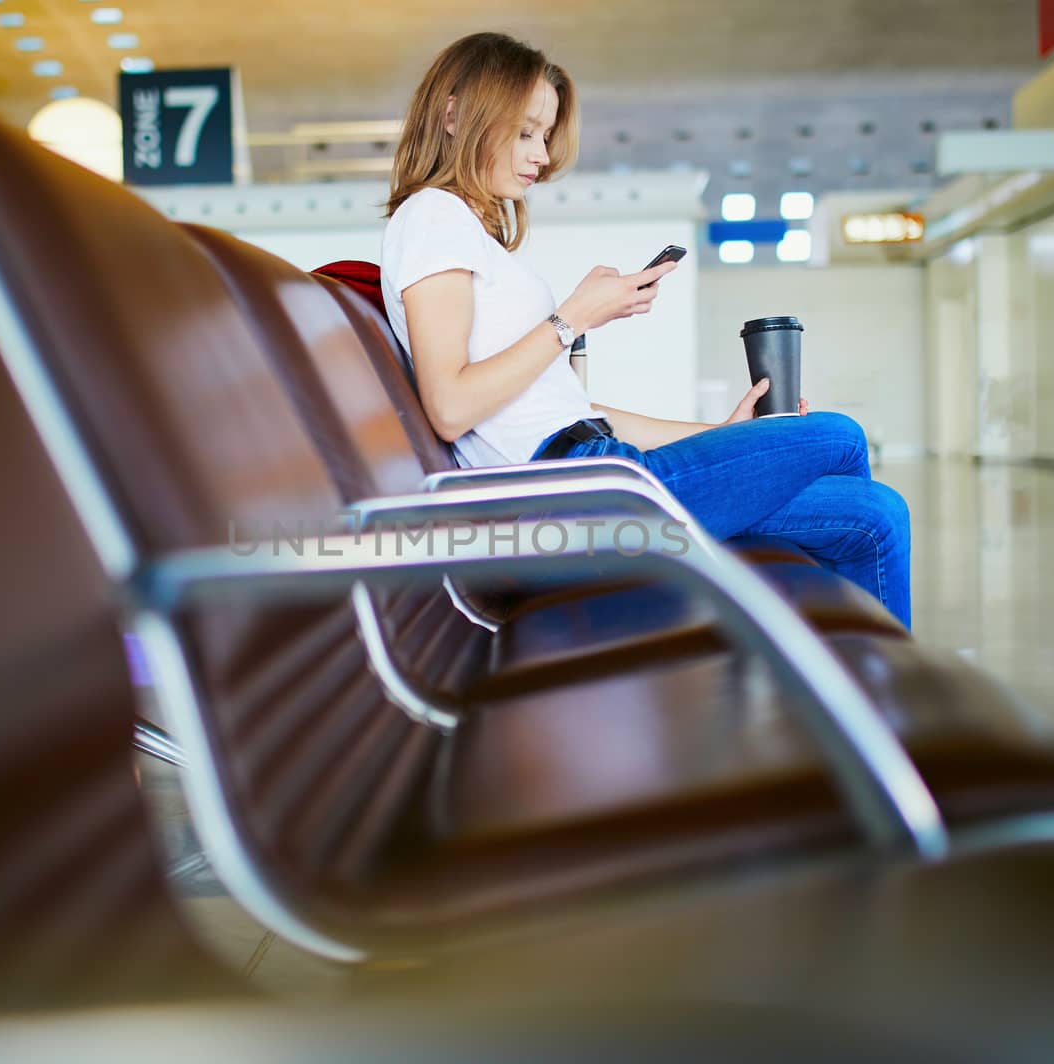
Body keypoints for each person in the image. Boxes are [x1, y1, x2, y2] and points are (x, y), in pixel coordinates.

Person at [379, 32, 911, 628]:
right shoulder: (431, 215)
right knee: (835, 436)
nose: (542, 155)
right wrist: (570, 319)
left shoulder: (472, 238)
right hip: (575, 499)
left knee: (876, 515)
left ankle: (874, 707)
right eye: (526, 132)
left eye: (545, 135)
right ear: (454, 116)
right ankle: (820, 659)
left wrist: (719, 433)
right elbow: (450, 405)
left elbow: (576, 412)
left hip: (599, 472)